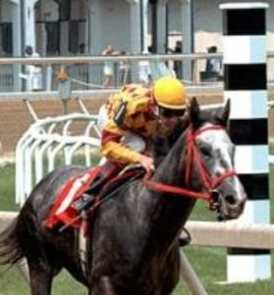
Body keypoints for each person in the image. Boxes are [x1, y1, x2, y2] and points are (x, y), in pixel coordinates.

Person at [70, 76, 192, 245]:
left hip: (146, 126)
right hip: (114, 120)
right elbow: (107, 146)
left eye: (178, 113)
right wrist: (140, 158)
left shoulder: (171, 111)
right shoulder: (132, 106)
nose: (173, 120)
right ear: (155, 106)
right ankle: (85, 198)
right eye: (167, 113)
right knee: (137, 145)